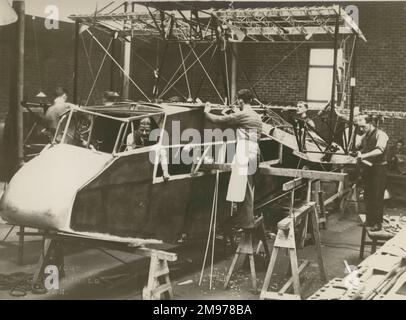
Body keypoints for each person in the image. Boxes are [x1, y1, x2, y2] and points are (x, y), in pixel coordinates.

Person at [204, 88, 262, 230]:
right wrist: (234, 112)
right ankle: (246, 221)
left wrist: (206, 111)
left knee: (244, 191)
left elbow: (218, 120)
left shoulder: (243, 114)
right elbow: (240, 119)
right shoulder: (256, 116)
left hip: (245, 153)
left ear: (240, 100)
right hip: (256, 152)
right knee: (249, 189)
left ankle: (247, 225)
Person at [355, 115, 389, 231]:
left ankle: (377, 223)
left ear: (370, 124)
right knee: (367, 195)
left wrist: (363, 155)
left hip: (379, 170)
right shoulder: (365, 135)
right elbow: (358, 147)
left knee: (377, 196)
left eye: (363, 127)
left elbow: (379, 150)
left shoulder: (381, 135)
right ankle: (369, 220)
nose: (361, 129)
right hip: (368, 169)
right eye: (359, 127)